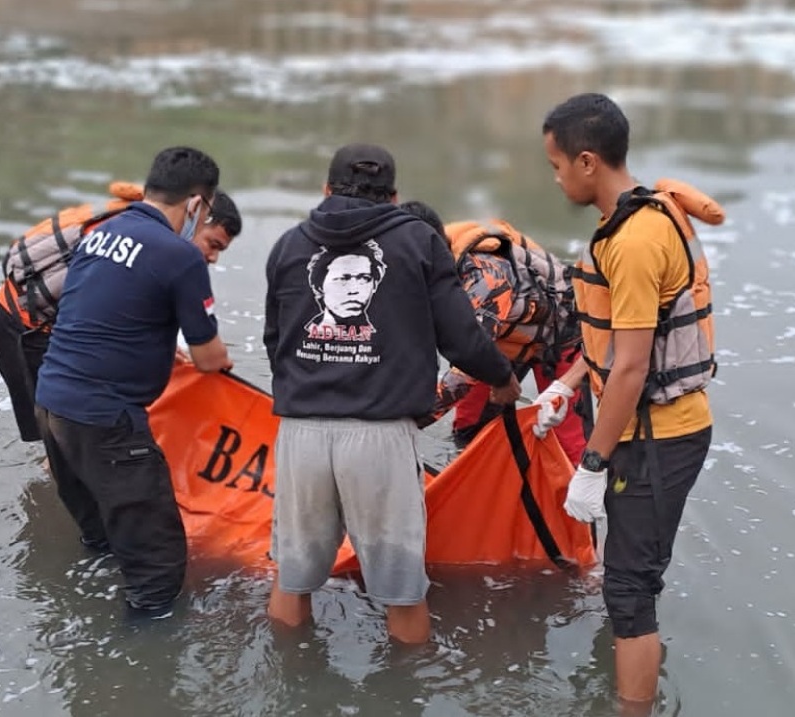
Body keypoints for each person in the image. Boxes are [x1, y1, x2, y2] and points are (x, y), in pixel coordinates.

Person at [263, 143, 521, 644]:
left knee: (291, 580)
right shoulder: (419, 241)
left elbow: (277, 342)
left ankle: (291, 681)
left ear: (326, 190)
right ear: (393, 198)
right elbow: (463, 339)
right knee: (403, 592)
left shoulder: (289, 245)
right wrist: (503, 379)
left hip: (301, 436)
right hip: (380, 439)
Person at [541, 93, 716, 712]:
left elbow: (636, 366)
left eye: (558, 165)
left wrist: (591, 463)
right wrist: (566, 385)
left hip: (659, 437)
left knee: (629, 592)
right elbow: (623, 331)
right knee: (630, 579)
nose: (557, 177)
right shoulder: (635, 218)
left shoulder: (636, 239)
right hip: (644, 431)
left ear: (588, 162)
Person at [33, 146, 234, 615]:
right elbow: (209, 358)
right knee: (158, 571)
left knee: (101, 541)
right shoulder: (179, 255)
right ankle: (136, 675)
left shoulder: (101, 233)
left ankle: (80, 638)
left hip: (52, 406)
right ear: (197, 205)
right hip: (106, 420)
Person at [0, 185, 242, 443]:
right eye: (212, 244)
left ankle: (54, 477)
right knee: (62, 440)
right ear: (195, 216)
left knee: (68, 438)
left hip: (34, 319)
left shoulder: (143, 224)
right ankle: (49, 481)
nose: (214, 257)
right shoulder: (141, 240)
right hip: (22, 329)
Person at [400, 200, 586, 464]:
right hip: (500, 337)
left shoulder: (485, 277)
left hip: (562, 336)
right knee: (468, 430)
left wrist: (403, 423)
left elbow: (465, 372)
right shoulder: (410, 264)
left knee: (569, 448)